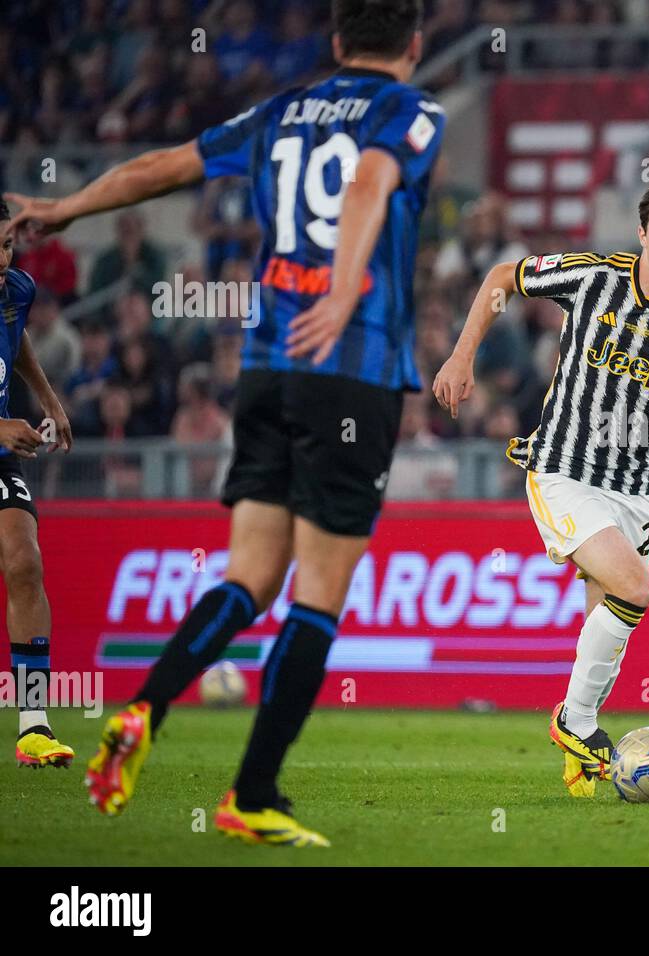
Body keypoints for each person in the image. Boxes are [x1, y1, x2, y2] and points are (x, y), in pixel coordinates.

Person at [5, 0, 444, 846]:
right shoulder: (409, 109)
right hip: (349, 371)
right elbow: (366, 183)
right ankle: (253, 793)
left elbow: (164, 166)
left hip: (266, 370)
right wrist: (347, 283)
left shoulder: (280, 111)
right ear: (416, 46)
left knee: (250, 575)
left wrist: (64, 210)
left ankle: (144, 708)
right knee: (318, 592)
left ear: (335, 42)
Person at [433, 180, 649, 798]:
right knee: (636, 588)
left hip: (636, 489)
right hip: (563, 467)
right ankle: (575, 723)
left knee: (609, 618)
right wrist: (462, 358)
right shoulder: (592, 276)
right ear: (643, 235)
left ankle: (580, 747)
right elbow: (501, 277)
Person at [0, 202, 76, 767]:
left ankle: (33, 727)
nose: (3, 259)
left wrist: (47, 399)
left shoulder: (15, 290)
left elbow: (15, 335)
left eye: (6, 246)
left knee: (25, 562)